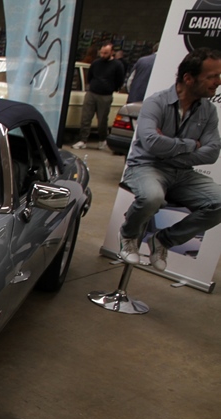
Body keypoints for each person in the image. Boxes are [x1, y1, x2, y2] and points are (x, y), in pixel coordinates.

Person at [117, 47, 221, 272]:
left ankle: (164, 240)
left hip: (182, 173)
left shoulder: (209, 111)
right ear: (189, 78)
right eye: (212, 77)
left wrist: (169, 148)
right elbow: (151, 143)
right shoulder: (156, 103)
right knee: (152, 197)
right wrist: (192, 144)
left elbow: (212, 152)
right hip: (146, 167)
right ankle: (128, 235)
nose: (218, 82)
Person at [71, 42, 125, 151]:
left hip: (105, 95)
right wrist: (93, 85)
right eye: (102, 53)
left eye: (106, 53)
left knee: (102, 120)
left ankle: (102, 139)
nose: (103, 55)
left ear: (112, 52)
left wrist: (111, 88)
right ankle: (83, 140)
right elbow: (90, 76)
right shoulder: (96, 63)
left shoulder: (117, 65)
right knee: (86, 117)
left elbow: (120, 80)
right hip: (92, 92)